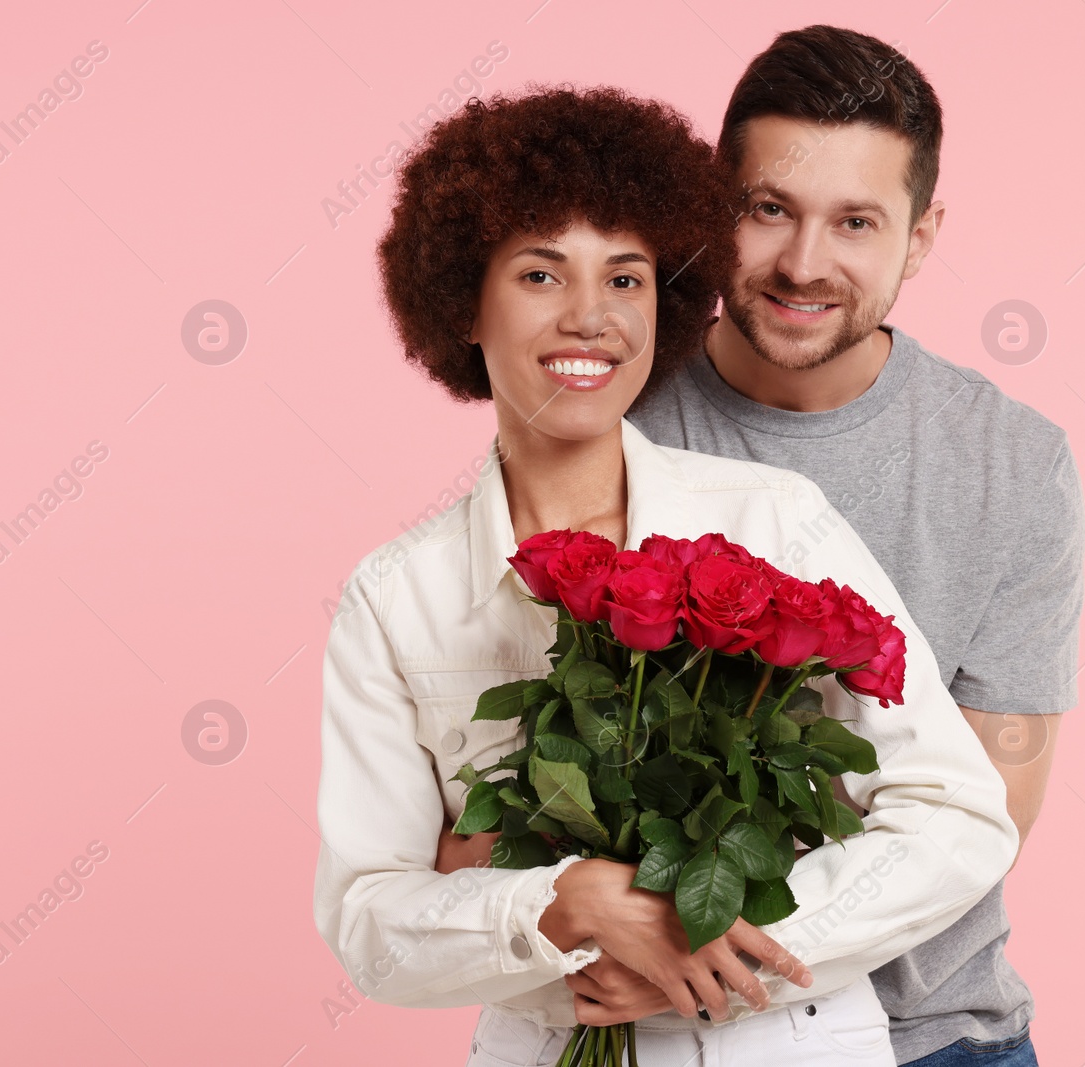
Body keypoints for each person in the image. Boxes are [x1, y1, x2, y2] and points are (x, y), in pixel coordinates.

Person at [315, 84, 1018, 1067]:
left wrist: (708, 938)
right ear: (463, 302)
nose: (590, 317)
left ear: (670, 301)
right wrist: (560, 904)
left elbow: (955, 814)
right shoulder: (397, 598)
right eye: (539, 274)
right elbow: (370, 920)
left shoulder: (771, 518)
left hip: (791, 1037)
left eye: (627, 278)